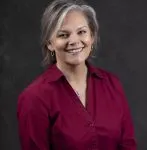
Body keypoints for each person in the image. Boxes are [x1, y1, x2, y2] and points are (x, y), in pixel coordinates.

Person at [17, 0, 137, 150]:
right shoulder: (34, 97)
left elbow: (128, 145)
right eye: (63, 35)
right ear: (50, 43)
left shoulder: (112, 84)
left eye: (81, 32)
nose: (74, 41)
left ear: (92, 37)